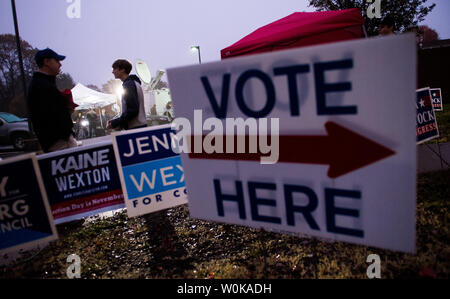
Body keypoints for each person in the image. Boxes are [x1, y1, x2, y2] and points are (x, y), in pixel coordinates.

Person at [27, 48, 77, 152]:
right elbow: (49, 116)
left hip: (59, 139)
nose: (60, 64)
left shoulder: (43, 83)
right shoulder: (41, 86)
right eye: (57, 61)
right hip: (58, 142)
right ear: (46, 62)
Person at [107, 59, 147, 130]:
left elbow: (133, 110)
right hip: (139, 126)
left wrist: (115, 123)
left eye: (114, 69)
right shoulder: (134, 83)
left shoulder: (128, 85)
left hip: (135, 128)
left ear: (122, 70)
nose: (113, 71)